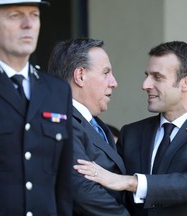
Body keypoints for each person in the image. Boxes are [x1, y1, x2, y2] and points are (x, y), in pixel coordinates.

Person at [74, 41, 187, 216]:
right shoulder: (132, 133)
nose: (145, 84)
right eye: (147, 75)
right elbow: (110, 188)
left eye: (157, 77)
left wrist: (130, 182)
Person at [0, 1, 73, 215]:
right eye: (15, 16)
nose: (28, 24)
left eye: (34, 15)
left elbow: (63, 185)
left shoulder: (57, 90)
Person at [48, 38, 130, 216]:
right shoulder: (62, 122)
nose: (113, 82)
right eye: (106, 73)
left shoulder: (96, 125)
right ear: (80, 76)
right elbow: (81, 190)